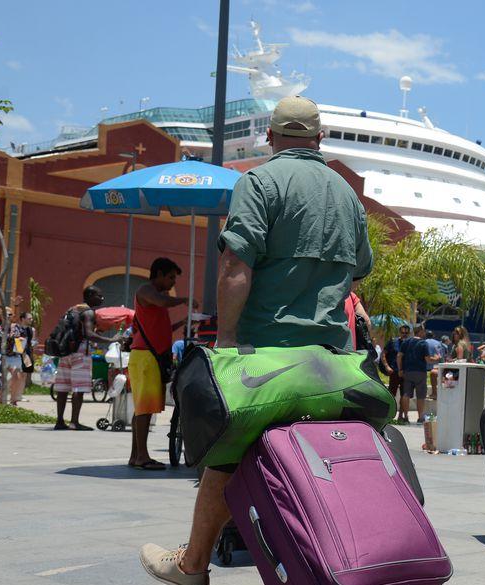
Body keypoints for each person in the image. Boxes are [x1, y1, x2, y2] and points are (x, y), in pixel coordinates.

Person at [140, 95, 374, 584]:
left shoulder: (259, 182)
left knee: (225, 458)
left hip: (268, 359)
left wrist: (225, 342)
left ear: (270, 137)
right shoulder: (347, 195)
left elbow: (234, 265)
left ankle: (192, 565)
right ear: (320, 138)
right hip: (334, 364)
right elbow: (362, 267)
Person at [128, 257, 190, 471]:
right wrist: (183, 300)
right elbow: (164, 302)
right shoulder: (146, 291)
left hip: (149, 356)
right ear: (160, 274)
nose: (173, 282)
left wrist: (184, 322)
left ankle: (136, 455)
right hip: (146, 357)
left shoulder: (156, 298)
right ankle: (142, 457)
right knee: (144, 409)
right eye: (171, 277)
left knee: (142, 409)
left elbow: (161, 328)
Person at [50, 287, 121, 430]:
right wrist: (110, 340)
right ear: (89, 296)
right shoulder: (88, 312)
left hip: (65, 352)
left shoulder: (72, 309)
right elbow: (88, 334)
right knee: (78, 388)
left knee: (63, 388)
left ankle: (59, 421)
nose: (102, 299)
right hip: (81, 353)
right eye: (98, 296)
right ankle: (74, 422)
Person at [397, 325, 433, 423]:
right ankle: (420, 417)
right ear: (420, 331)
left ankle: (405, 416)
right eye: (424, 331)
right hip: (420, 372)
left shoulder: (406, 342)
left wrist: (400, 369)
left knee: (406, 394)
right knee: (420, 395)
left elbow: (399, 356)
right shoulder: (423, 343)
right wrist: (436, 358)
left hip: (408, 372)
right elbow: (428, 360)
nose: (424, 333)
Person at [382, 325, 411, 423]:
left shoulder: (410, 344)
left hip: (405, 373)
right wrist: (387, 366)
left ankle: (401, 416)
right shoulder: (393, 342)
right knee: (391, 395)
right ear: (399, 333)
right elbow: (383, 354)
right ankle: (389, 416)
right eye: (403, 332)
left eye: (406, 333)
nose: (404, 335)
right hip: (393, 372)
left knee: (404, 395)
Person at [425, 330, 445, 396]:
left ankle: (425, 393)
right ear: (433, 336)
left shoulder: (424, 342)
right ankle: (434, 392)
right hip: (435, 365)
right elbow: (441, 356)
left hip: (425, 365)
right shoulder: (438, 343)